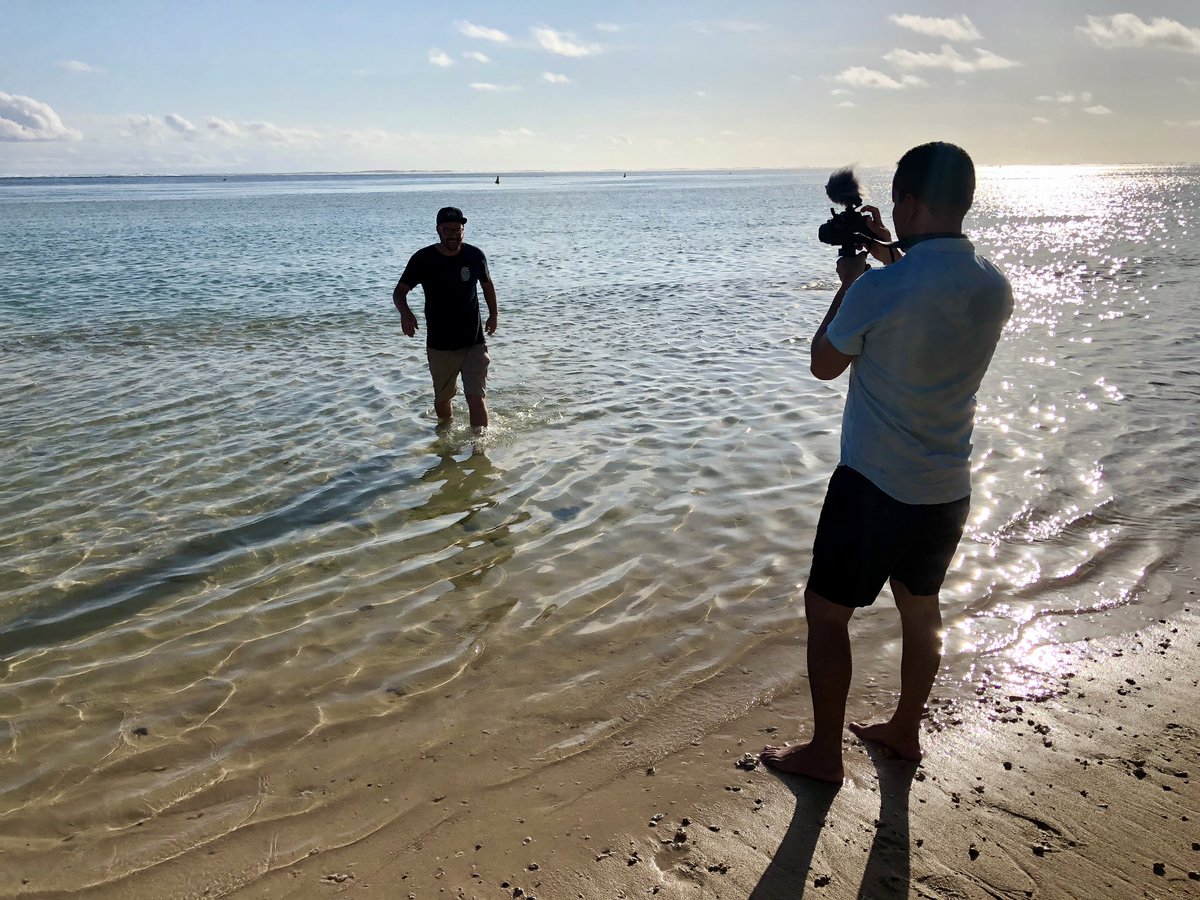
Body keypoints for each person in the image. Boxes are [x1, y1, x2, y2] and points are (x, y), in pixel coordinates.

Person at [761, 142, 1014, 782]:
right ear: (966, 199)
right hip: (947, 485)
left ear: (907, 200)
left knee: (827, 612)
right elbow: (929, 288)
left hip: (873, 485)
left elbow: (823, 363)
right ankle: (905, 730)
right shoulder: (993, 285)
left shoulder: (878, 288)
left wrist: (850, 286)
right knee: (920, 605)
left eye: (898, 201)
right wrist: (891, 252)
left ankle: (824, 754)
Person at [393, 207, 499, 429]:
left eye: (458, 229)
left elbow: (487, 286)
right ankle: (445, 437)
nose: (453, 234)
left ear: (463, 230)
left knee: (476, 397)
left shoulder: (475, 255)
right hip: (440, 345)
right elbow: (400, 291)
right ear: (438, 230)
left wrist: (493, 314)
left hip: (474, 342)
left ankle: (479, 452)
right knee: (443, 399)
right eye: (447, 229)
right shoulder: (423, 259)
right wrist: (406, 313)